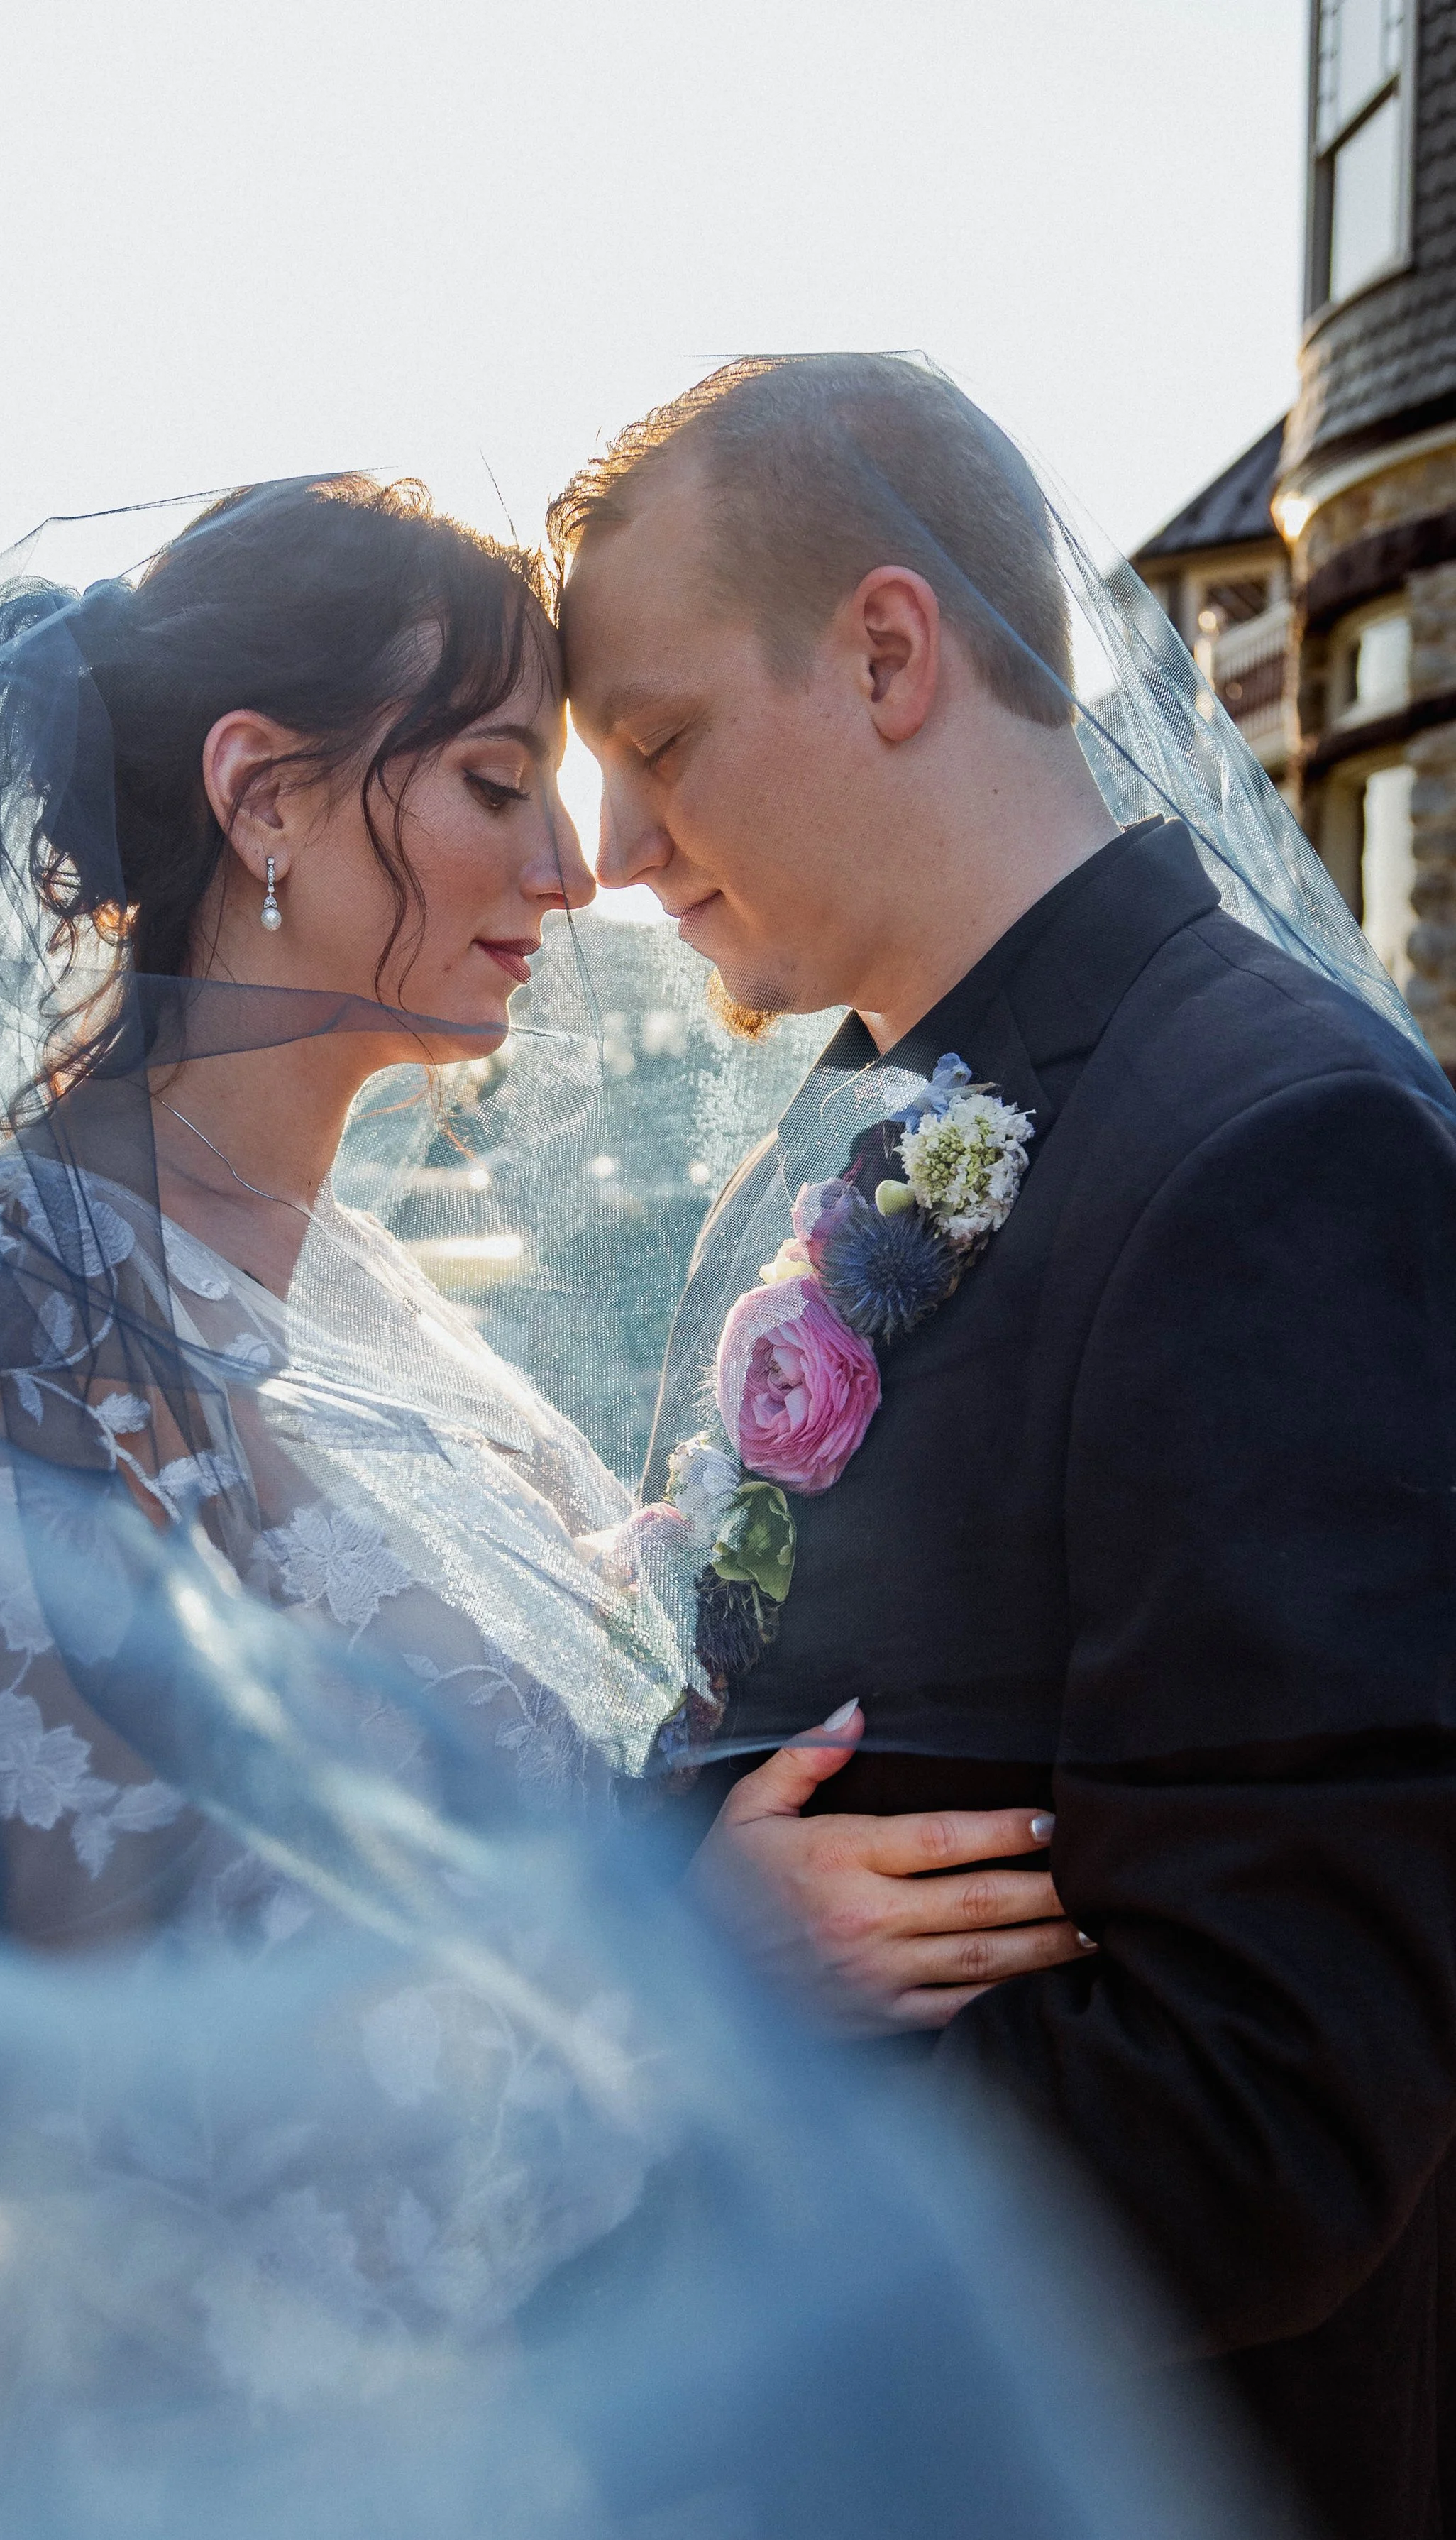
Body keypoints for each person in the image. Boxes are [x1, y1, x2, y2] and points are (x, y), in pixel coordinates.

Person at [0, 467, 1284, 2540]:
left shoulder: (347, 1295)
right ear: (262, 795)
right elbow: (85, 2072)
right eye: (494, 781)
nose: (573, 863)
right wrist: (683, 1960)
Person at [553, 352, 1456, 2540]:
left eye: (654, 745)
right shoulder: (914, 1123)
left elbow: (1268, 2111)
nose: (607, 854)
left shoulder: (1268, 1145)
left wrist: (678, 2115)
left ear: (884, 651)